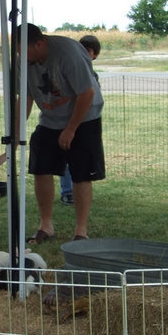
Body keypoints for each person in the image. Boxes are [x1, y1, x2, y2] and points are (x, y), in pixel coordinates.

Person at [17, 23, 104, 243]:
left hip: (84, 116)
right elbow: (26, 97)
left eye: (24, 52)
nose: (22, 58)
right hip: (50, 118)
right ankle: (45, 226)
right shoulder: (23, 59)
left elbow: (86, 94)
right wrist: (16, 130)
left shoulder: (69, 54)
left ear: (39, 43)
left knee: (81, 173)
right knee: (41, 168)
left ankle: (80, 232)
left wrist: (71, 129)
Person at [59, 34, 103, 207]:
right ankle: (67, 192)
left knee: (82, 163)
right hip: (69, 121)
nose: (84, 53)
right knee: (67, 159)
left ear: (95, 55)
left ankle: (79, 192)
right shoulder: (70, 70)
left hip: (86, 124)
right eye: (81, 49)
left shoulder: (93, 75)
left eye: (88, 50)